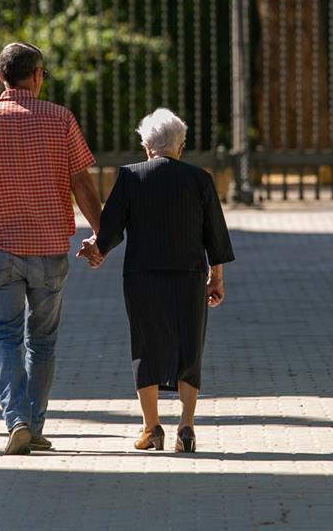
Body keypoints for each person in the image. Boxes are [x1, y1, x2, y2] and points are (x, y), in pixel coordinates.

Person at [0, 42, 102, 455]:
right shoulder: (61, 120)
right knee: (43, 340)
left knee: (4, 336)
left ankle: (15, 419)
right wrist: (101, 233)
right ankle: (33, 424)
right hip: (50, 248)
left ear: (1, 77)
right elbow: (82, 183)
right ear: (36, 76)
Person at [78, 108, 234, 453]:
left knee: (146, 346)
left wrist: (96, 249)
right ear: (180, 145)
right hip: (189, 274)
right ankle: (187, 427)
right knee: (189, 346)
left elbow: (112, 226)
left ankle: (152, 428)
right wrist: (216, 276)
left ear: (147, 145)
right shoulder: (200, 179)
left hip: (142, 275)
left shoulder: (131, 177)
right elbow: (215, 234)